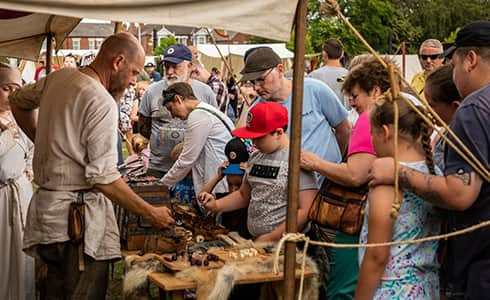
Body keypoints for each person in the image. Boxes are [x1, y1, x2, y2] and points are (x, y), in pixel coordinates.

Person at [9, 32, 175, 299]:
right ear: (118, 61)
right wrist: (150, 213)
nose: (134, 81)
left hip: (49, 216)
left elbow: (18, 102)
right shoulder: (100, 100)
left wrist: (43, 140)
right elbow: (103, 178)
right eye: (133, 72)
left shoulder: (60, 77)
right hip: (75, 226)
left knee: (52, 292)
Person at [368, 20, 490, 299]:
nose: (453, 73)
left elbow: (460, 193)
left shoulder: (473, 108)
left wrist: (398, 172)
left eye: (454, 64)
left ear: (470, 59)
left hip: (481, 264)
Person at [355, 93, 442, 299]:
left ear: (385, 132)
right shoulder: (434, 175)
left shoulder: (387, 182)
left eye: (372, 133)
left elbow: (377, 256)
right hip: (426, 288)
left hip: (392, 290)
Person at [200, 101, 318, 242]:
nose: (254, 143)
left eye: (259, 138)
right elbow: (244, 195)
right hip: (258, 240)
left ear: (278, 132)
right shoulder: (256, 157)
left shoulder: (298, 159)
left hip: (288, 245)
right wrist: (217, 205)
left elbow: (306, 210)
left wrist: (271, 237)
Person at [240, 47, 351, 175]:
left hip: (327, 184)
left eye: (261, 79)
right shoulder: (257, 109)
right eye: (252, 82)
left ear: (280, 70)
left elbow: (344, 128)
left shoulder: (314, 89)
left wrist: (332, 163)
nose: (256, 87)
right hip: (287, 188)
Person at [138, 44, 217, 178]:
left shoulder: (205, 92)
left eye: (175, 66)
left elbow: (213, 127)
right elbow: (144, 127)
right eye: (167, 66)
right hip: (159, 167)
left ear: (190, 66)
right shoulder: (151, 91)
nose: (169, 71)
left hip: (195, 168)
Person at [160, 82, 233, 196]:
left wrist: (162, 186)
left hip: (219, 185)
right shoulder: (206, 110)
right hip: (221, 179)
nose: (173, 116)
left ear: (178, 99)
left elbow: (186, 160)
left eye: (170, 109)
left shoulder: (199, 115)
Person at [0, 62, 35, 300]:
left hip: (21, 191)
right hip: (1, 196)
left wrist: (29, 167)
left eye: (16, 88)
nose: (12, 94)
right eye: (5, 88)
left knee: (22, 251)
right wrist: (5, 136)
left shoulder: (21, 117)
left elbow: (33, 146)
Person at [200, 137, 251, 238]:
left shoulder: (252, 204)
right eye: (230, 184)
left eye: (238, 185)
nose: (233, 190)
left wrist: (249, 175)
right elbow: (202, 197)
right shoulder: (225, 198)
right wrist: (218, 177)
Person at [424, 64, 461, 170]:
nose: (428, 111)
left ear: (455, 107)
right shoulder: (445, 133)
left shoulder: (458, 142)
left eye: (432, 105)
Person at [308, 38, 349, 110]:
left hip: (321, 118)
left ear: (324, 54)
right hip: (346, 118)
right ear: (342, 54)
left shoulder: (313, 76)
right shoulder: (349, 75)